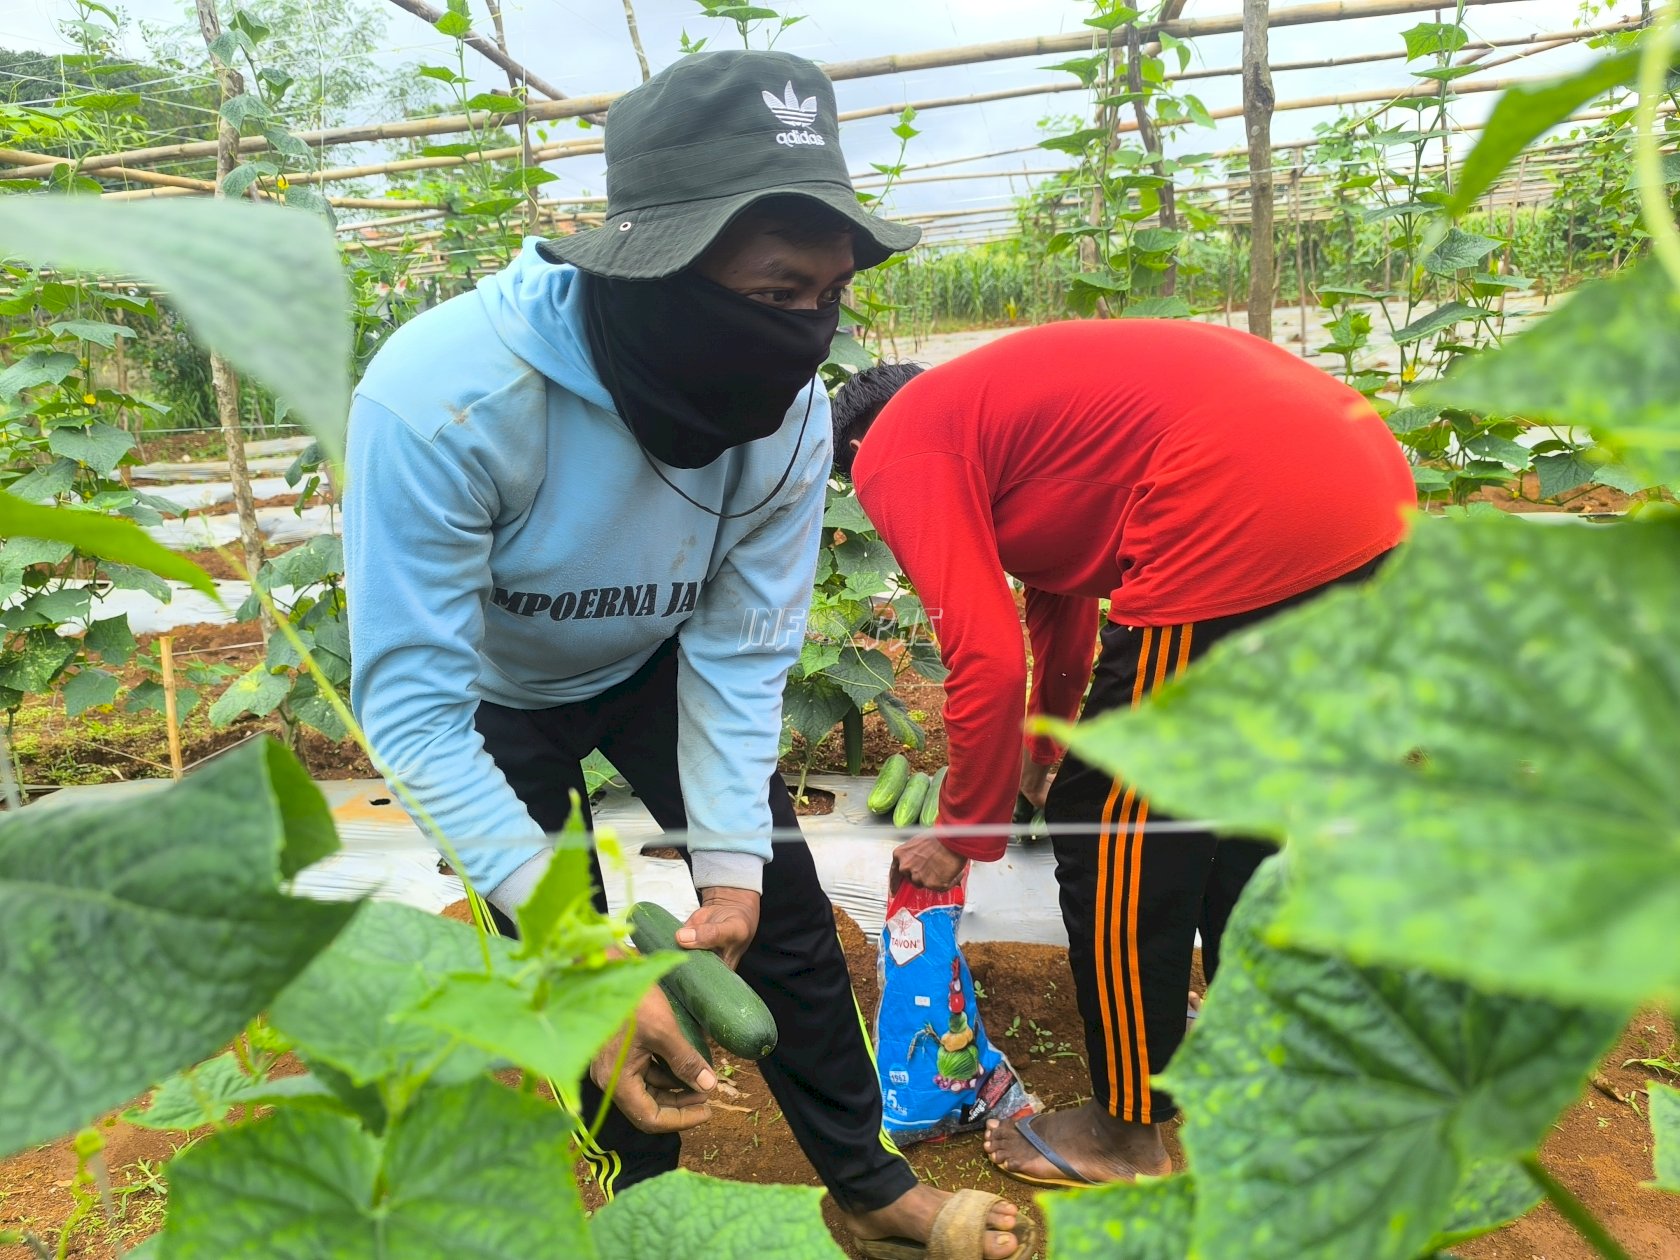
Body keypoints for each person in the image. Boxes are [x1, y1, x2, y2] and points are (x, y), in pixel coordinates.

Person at [345, 49, 1031, 1260]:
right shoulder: (449, 397)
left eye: (830, 295)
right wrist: (575, 948)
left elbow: (737, 651)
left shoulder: (793, 420)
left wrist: (734, 873)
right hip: (494, 704)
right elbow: (411, 705)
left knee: (787, 921)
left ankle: (867, 1189)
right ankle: (640, 1205)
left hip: (657, 665)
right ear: (657, 264)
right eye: (778, 292)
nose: (808, 334)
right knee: (586, 966)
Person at [832, 320, 1416, 1187]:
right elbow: (1059, 616)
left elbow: (985, 653)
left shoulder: (897, 445)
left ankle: (1122, 1133)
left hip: (1237, 507)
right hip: (1361, 493)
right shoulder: (993, 424)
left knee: (1111, 819)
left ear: (850, 452)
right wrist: (1037, 758)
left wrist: (965, 828)